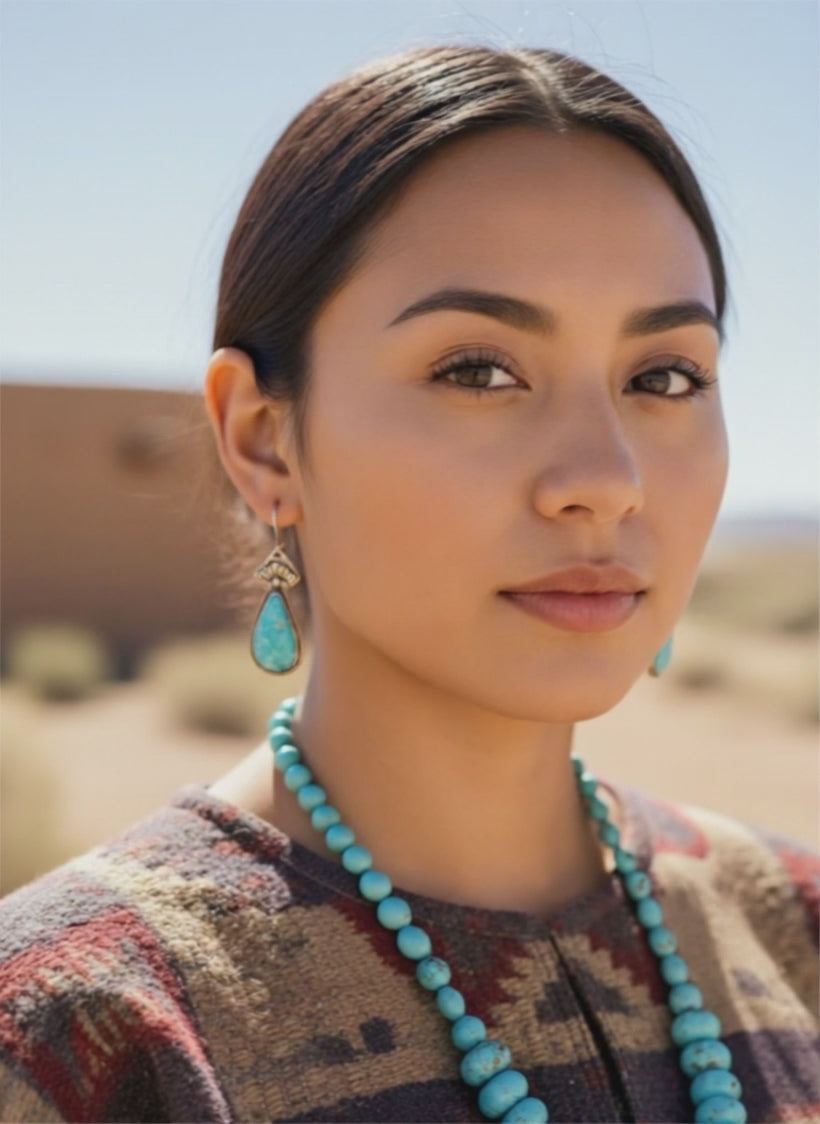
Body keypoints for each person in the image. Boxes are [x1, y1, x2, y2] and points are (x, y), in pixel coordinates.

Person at [0, 43, 817, 1124]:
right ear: (263, 440)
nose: (606, 481)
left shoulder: (789, 923)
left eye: (664, 375)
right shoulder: (83, 1027)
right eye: (477, 369)